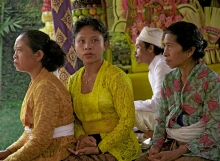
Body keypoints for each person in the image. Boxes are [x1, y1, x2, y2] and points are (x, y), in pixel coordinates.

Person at [136, 21, 220, 161]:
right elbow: (162, 120)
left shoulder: (210, 81)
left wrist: (177, 153)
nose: (164, 53)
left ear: (189, 51)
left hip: (203, 148)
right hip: (172, 142)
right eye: (164, 46)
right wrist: (155, 147)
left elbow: (214, 130)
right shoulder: (169, 80)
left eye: (169, 46)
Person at [64, 16, 141, 161]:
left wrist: (100, 147)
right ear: (74, 46)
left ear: (105, 45)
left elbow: (128, 120)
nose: (87, 46)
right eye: (81, 41)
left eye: (94, 40)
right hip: (87, 144)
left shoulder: (116, 77)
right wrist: (81, 137)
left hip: (117, 146)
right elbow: (73, 118)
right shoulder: (72, 81)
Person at [0, 30, 76, 161]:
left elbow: (41, 140)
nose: (14, 55)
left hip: (55, 152)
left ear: (38, 55)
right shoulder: (39, 82)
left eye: (19, 50)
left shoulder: (45, 87)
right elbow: (30, 131)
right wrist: (8, 152)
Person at [134, 27, 172, 137]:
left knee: (129, 114)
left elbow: (158, 104)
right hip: (167, 115)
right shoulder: (154, 67)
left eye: (138, 47)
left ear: (150, 48)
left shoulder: (162, 64)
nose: (135, 52)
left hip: (176, 119)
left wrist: (128, 105)